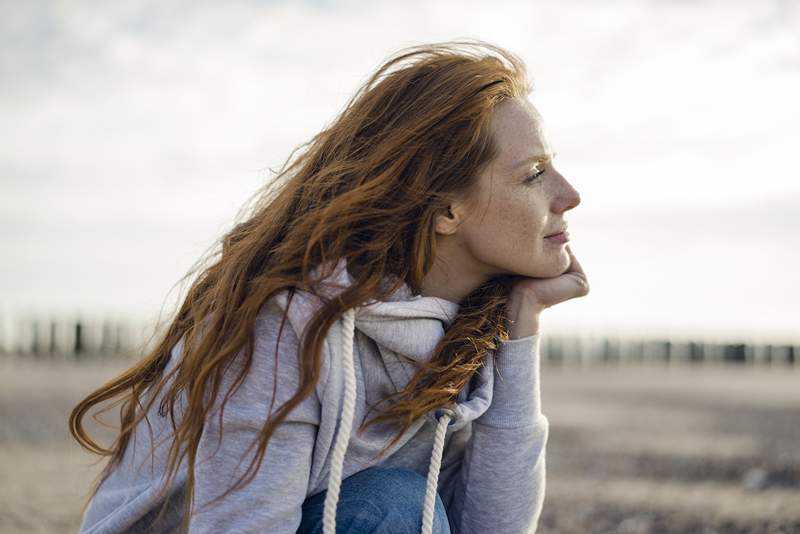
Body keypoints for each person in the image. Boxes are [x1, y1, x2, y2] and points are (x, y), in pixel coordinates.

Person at [69, 38, 588, 534]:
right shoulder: (289, 322)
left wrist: (522, 329)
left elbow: (490, 527)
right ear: (446, 208)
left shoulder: (468, 329)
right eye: (534, 173)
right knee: (394, 510)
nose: (569, 195)